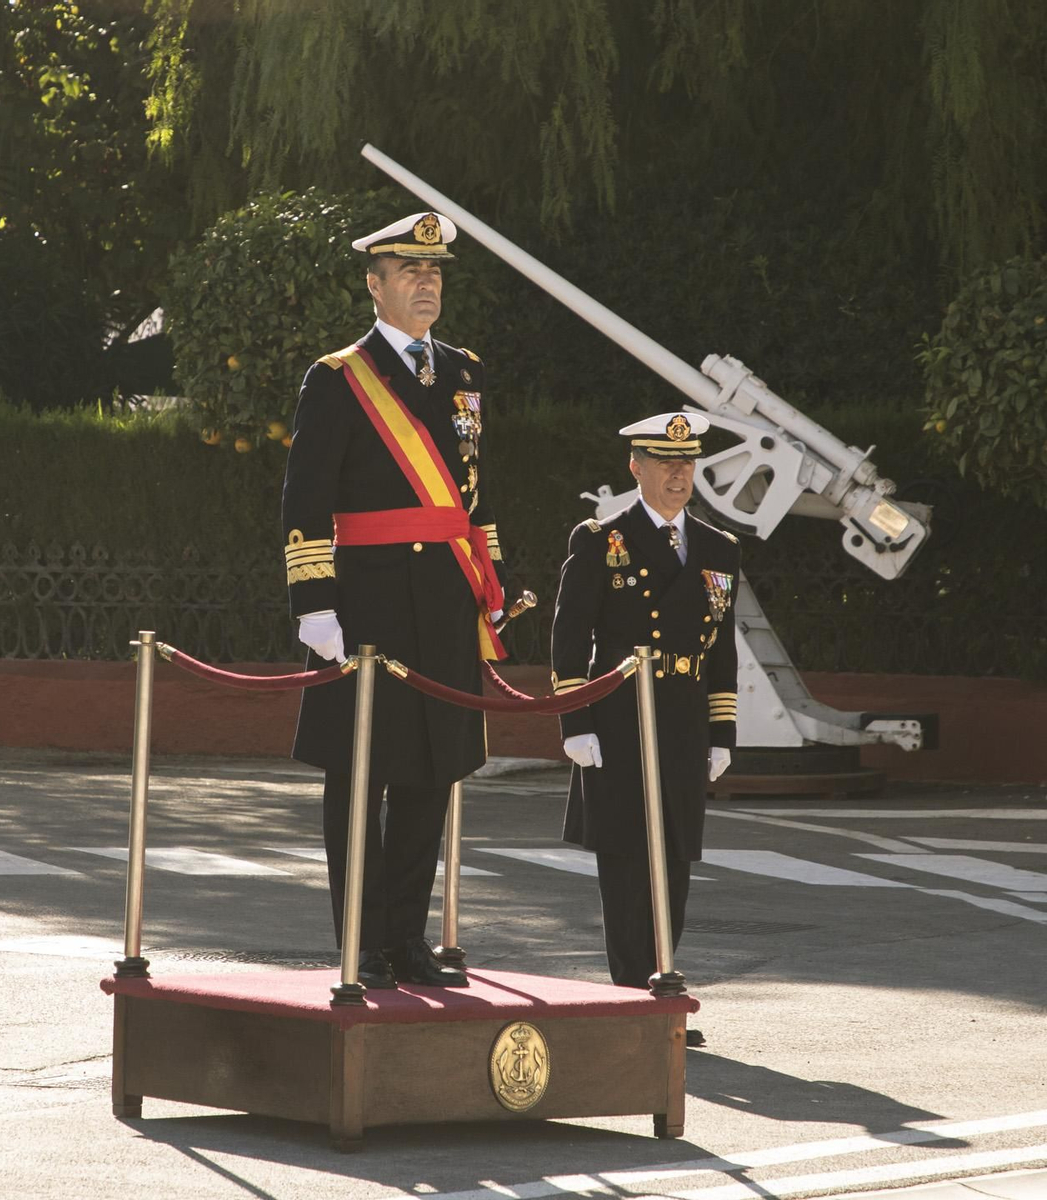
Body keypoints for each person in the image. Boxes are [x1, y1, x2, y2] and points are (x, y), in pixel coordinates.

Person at [281, 211, 529, 990]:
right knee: (361, 776)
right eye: (410, 273)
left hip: (446, 602)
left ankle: (408, 940)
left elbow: (474, 499)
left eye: (436, 273)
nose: (427, 284)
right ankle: (360, 940)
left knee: (433, 771)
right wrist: (313, 601)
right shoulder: (337, 377)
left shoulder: (463, 372)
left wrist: (491, 581)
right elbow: (304, 498)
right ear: (374, 284)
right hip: (370, 605)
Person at [549, 411, 740, 1043]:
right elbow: (569, 639)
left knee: (675, 863)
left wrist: (722, 733)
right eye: (665, 462)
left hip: (683, 723)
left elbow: (722, 656)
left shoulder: (718, 549)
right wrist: (575, 721)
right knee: (628, 865)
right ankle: (636, 996)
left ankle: (663, 984)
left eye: (688, 463)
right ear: (636, 467)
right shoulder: (602, 540)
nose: (679, 474)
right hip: (620, 720)